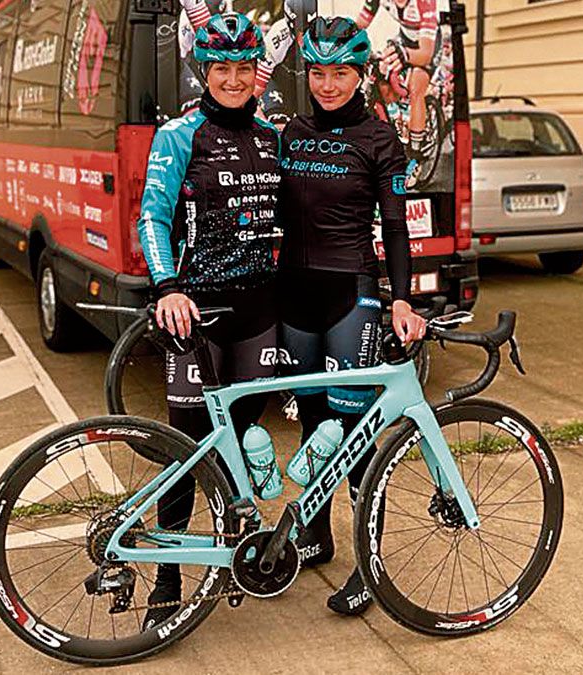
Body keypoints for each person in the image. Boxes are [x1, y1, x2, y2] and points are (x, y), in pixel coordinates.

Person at [136, 12, 281, 631]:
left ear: (257, 73)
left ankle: (230, 555)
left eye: (241, 68)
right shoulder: (178, 136)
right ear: (203, 71)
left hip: (258, 316)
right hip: (194, 316)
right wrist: (167, 287)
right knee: (184, 451)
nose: (231, 79)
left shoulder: (273, 137)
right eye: (219, 68)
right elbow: (151, 216)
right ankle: (168, 579)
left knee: (242, 442)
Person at [277, 16, 426, 616]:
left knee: (360, 440)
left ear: (361, 73)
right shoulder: (289, 132)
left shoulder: (379, 139)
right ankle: (316, 534)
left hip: (353, 295)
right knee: (314, 428)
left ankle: (371, 568)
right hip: (295, 294)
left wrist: (402, 297)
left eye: (340, 72)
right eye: (318, 72)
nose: (329, 84)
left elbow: (394, 227)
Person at [356, 0, 439, 183]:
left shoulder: (424, 3)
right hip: (404, 37)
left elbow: (425, 53)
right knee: (381, 72)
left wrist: (405, 55)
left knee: (417, 85)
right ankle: (396, 123)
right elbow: (359, 25)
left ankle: (415, 156)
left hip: (428, 45)